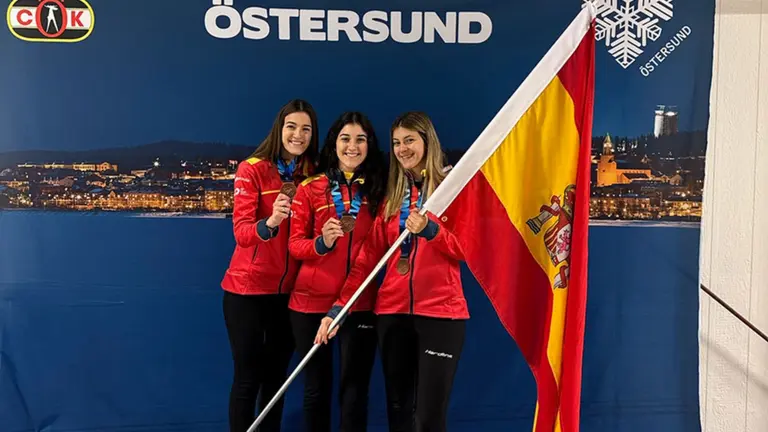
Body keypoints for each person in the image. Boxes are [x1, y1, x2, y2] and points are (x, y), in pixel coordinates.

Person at [317, 111, 468, 432]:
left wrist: (431, 231)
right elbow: (366, 261)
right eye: (397, 142)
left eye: (410, 140)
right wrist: (338, 309)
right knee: (398, 411)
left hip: (441, 314)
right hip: (392, 313)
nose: (403, 149)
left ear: (427, 141)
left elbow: (468, 250)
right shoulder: (390, 197)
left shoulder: (451, 192)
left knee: (428, 417)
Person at [220, 99, 319, 432]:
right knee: (248, 377)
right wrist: (271, 221)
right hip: (246, 291)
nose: (298, 135)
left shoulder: (313, 172)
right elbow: (242, 233)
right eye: (292, 126)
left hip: (289, 294)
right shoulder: (253, 168)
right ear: (280, 128)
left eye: (306, 129)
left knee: (277, 381)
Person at [287, 112, 388, 432]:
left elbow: (374, 252)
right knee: (316, 390)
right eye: (345, 138)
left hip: (359, 301)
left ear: (369, 146)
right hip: (310, 304)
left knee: (354, 391)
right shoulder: (310, 188)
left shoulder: (379, 189)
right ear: (334, 143)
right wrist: (322, 243)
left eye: (361, 139)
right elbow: (294, 246)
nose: (353, 146)